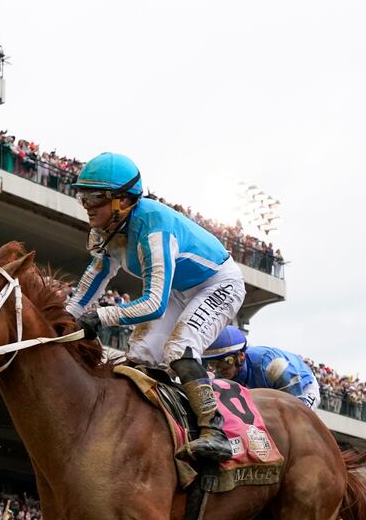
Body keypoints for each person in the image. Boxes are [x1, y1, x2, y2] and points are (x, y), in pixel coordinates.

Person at [65, 152, 245, 462]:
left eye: (95, 197)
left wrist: (103, 316)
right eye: (82, 196)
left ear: (123, 200)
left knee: (179, 348)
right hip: (180, 287)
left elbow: (154, 304)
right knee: (140, 356)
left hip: (218, 283)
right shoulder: (107, 229)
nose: (86, 206)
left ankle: (214, 432)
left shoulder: (153, 230)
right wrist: (67, 316)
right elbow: (94, 279)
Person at [202, 326, 320, 409]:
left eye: (227, 361)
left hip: (302, 386)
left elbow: (295, 407)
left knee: (297, 421)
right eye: (213, 363)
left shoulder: (272, 365)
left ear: (241, 356)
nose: (220, 368)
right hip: (268, 390)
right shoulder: (219, 374)